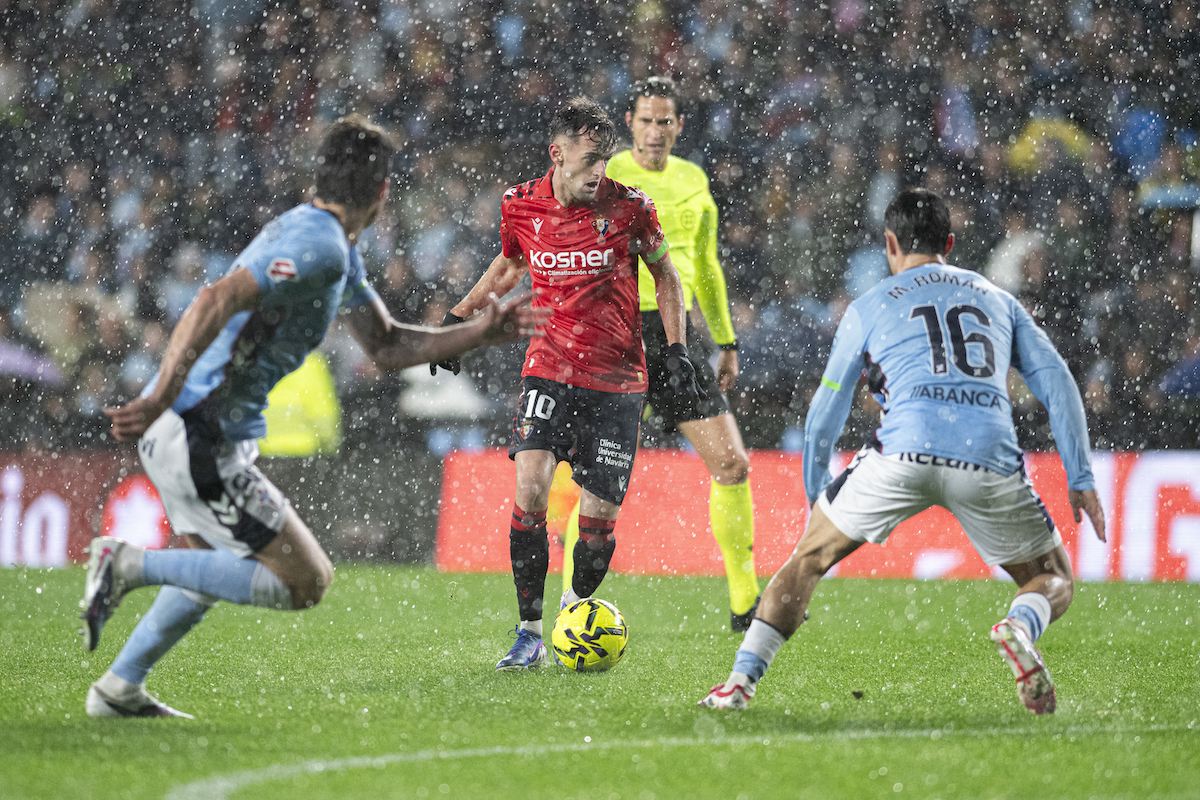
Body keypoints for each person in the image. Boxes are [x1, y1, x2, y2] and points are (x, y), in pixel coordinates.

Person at [80, 114, 545, 718]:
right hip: (197, 431)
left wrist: (479, 334)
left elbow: (386, 348)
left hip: (200, 431)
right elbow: (215, 298)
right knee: (305, 581)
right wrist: (163, 394)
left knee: (213, 566)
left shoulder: (331, 247)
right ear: (382, 193)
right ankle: (127, 563)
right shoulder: (320, 245)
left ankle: (119, 689)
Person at [700, 188, 1106, 714]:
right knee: (1052, 579)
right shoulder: (998, 298)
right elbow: (1059, 385)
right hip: (987, 455)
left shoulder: (870, 305)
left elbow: (826, 411)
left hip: (902, 453)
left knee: (805, 564)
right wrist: (1080, 475)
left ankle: (739, 684)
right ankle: (1019, 627)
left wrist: (814, 500)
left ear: (890, 243)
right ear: (951, 243)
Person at [433, 97, 700, 670]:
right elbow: (509, 265)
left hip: (618, 378)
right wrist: (459, 320)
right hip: (549, 366)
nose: (598, 172)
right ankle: (529, 630)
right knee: (529, 488)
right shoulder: (519, 205)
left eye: (604, 160)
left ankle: (574, 612)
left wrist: (676, 350)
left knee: (598, 524)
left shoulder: (630, 208)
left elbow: (667, 276)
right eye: (587, 161)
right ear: (557, 154)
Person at [560, 76, 759, 632]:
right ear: (630, 123)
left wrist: (724, 341)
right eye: (646, 120)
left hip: (675, 338)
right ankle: (570, 606)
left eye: (664, 121)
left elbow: (709, 265)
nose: (655, 131)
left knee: (731, 464)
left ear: (678, 125)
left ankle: (746, 603)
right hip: (614, 332)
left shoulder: (694, 181)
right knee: (598, 480)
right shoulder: (606, 174)